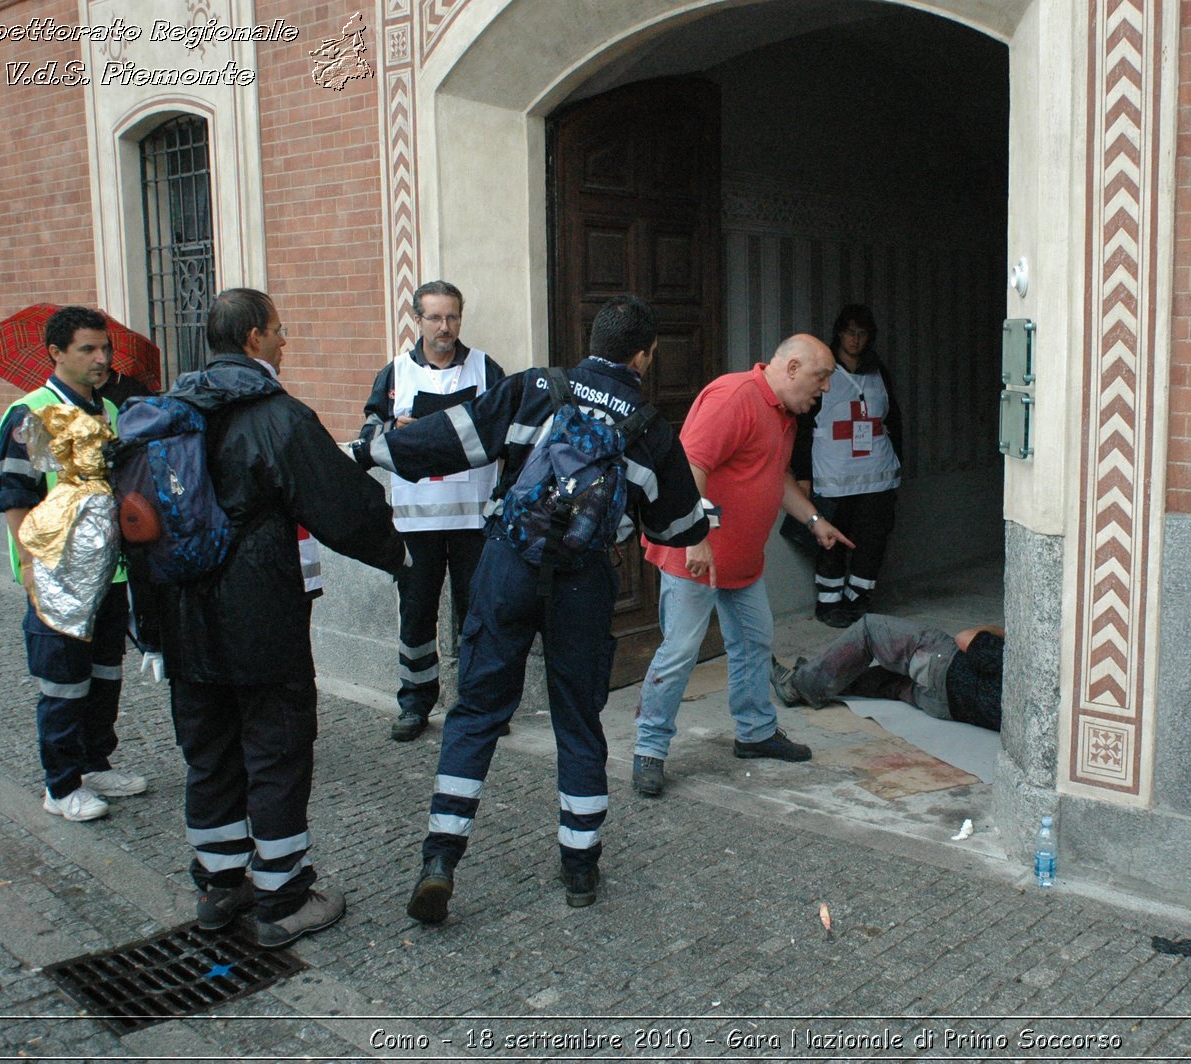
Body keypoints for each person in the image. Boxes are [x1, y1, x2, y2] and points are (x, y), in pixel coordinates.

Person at [353, 294, 707, 919]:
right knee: (577, 719)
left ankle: (440, 857)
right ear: (645, 356)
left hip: (507, 566)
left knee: (477, 711)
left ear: (591, 340)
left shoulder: (538, 387)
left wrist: (371, 447)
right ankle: (580, 868)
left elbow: (448, 440)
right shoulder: (650, 428)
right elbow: (678, 528)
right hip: (583, 583)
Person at [138, 288, 406, 948]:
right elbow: (344, 506)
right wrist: (405, 555)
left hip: (182, 615)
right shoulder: (278, 418)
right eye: (280, 331)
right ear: (255, 337)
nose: (286, 342)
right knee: (275, 749)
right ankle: (283, 898)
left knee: (209, 751)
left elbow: (136, 524)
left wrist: (146, 625)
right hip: (258, 616)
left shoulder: (165, 414)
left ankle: (220, 885)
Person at [631, 334, 854, 798]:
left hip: (742, 561)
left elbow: (776, 476)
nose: (826, 389)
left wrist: (815, 521)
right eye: (822, 377)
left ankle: (755, 732)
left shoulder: (784, 414)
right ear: (792, 368)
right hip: (695, 558)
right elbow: (691, 465)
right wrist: (697, 538)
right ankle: (649, 750)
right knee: (679, 654)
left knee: (754, 643)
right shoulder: (734, 397)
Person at [0, 306, 146, 822]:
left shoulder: (112, 410)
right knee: (62, 683)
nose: (101, 358)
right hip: (58, 574)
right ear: (56, 353)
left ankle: (94, 763)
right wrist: (32, 566)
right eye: (87, 349)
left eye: (104, 348)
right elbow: (14, 494)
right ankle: (60, 786)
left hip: (113, 571)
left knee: (105, 675)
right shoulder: (31, 414)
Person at [360, 281, 505, 742]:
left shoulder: (486, 369)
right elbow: (366, 440)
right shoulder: (395, 374)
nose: (446, 327)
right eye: (436, 318)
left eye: (453, 318)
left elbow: (511, 432)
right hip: (415, 522)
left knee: (477, 615)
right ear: (417, 320)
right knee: (417, 615)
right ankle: (415, 702)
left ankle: (479, 704)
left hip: (474, 521)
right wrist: (392, 430)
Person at [792, 305, 903, 627]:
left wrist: (900, 463)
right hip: (833, 476)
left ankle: (859, 599)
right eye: (850, 332)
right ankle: (829, 604)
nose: (855, 340)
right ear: (839, 332)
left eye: (862, 333)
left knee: (872, 542)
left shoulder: (878, 371)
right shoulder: (824, 372)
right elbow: (802, 427)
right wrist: (802, 476)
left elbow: (894, 421)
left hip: (878, 477)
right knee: (832, 542)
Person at [770, 615, 1004, 731]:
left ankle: (798, 686)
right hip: (946, 707)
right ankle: (817, 675)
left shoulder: (1025, 667)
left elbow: (964, 638)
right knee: (888, 682)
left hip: (941, 667)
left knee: (870, 629)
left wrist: (1003, 631)